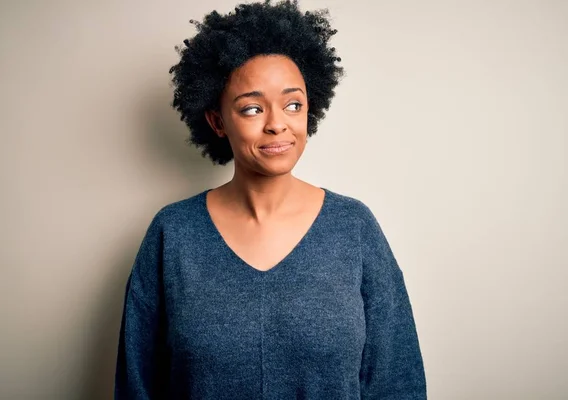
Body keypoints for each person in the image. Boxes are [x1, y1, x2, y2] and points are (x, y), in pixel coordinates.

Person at [114, 1, 426, 399]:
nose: (277, 122)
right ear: (217, 121)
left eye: (293, 104)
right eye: (252, 108)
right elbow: (136, 386)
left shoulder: (354, 227)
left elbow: (397, 384)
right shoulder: (173, 233)